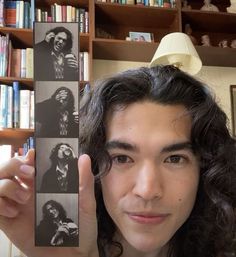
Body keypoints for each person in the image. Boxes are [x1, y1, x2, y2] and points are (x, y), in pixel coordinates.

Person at [0, 65, 235, 257]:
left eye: (174, 158)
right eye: (122, 158)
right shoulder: (54, 245)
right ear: (92, 167)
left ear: (205, 168)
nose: (147, 190)